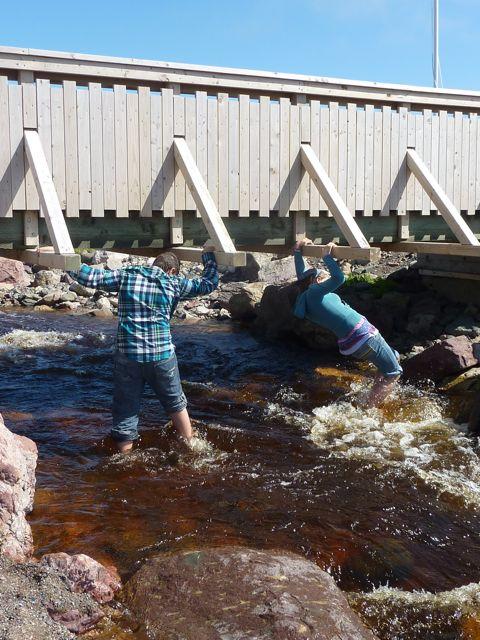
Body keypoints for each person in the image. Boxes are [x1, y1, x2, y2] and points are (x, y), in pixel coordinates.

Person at [72, 246, 218, 453]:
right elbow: (208, 283)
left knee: (126, 409)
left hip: (128, 356)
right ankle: (191, 445)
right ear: (172, 270)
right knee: (175, 401)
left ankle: (124, 457)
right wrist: (208, 256)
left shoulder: (127, 276)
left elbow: (88, 277)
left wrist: (65, 262)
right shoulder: (173, 283)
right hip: (162, 355)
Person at [293, 238, 402, 407]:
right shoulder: (315, 292)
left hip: (353, 344)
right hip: (365, 336)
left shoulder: (306, 300)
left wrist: (298, 251)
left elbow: (302, 275)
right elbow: (339, 278)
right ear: (316, 281)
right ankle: (368, 409)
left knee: (393, 357)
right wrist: (327, 256)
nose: (326, 277)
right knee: (393, 373)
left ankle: (373, 396)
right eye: (323, 275)